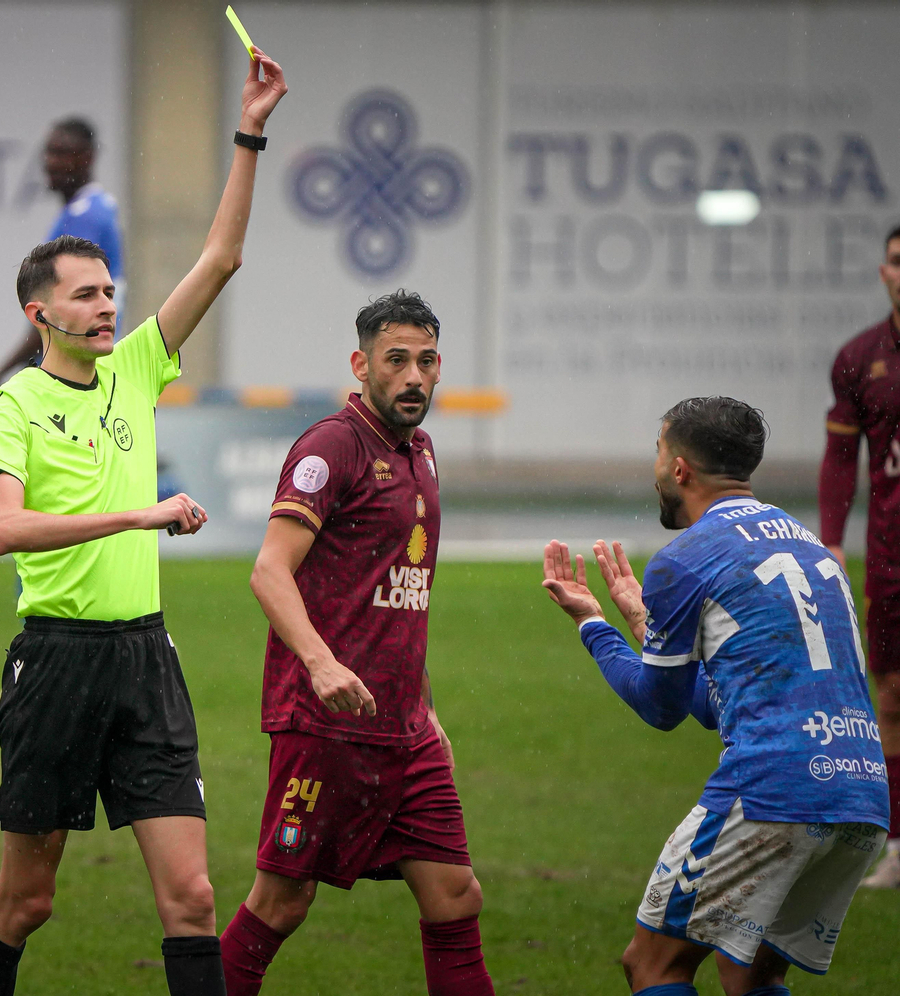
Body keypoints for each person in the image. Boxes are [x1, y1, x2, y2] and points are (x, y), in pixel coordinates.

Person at [0, 48, 286, 996]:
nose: (109, 308)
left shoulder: (139, 366)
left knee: (190, 896)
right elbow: (3, 530)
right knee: (27, 901)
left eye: (111, 293)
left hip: (145, 659)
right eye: (87, 296)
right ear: (41, 312)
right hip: (55, 662)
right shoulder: (15, 405)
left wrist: (251, 128)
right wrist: (137, 514)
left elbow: (222, 256)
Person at [542, 397, 887, 996]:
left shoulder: (686, 555)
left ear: (680, 469)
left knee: (653, 965)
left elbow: (662, 707)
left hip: (771, 789)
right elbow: (722, 701)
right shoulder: (804, 544)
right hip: (861, 791)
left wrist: (594, 626)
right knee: (748, 970)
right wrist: (648, 630)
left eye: (658, 453)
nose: (655, 469)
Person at [218, 291, 493, 996]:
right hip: (325, 727)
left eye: (426, 361)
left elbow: (401, 597)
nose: (413, 377)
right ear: (361, 363)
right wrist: (320, 663)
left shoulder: (422, 453)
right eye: (396, 360)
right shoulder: (331, 447)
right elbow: (269, 570)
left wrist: (425, 711)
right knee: (281, 904)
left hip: (406, 734)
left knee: (455, 897)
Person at [819, 222, 900, 887]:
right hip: (890, 556)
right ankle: (898, 849)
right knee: (892, 695)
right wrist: (830, 541)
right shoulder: (859, 358)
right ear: (884, 272)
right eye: (899, 262)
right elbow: (842, 459)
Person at [0, 118, 125, 402]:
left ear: (87, 157)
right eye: (47, 153)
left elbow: (59, 311)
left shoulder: (85, 218)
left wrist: (0, 376)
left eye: (60, 153)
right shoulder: (95, 208)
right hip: (93, 365)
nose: (49, 163)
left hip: (80, 369)